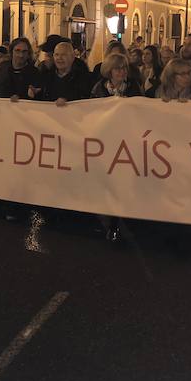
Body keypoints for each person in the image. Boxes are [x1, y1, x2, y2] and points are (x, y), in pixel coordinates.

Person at [90, 53, 142, 244]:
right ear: (109, 71)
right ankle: (107, 219)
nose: (122, 72)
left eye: (124, 68)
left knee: (121, 181)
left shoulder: (133, 87)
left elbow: (142, 109)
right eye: (118, 68)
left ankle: (115, 224)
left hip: (126, 140)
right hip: (105, 140)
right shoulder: (98, 89)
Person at [32, 40, 90, 104]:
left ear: (73, 57)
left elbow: (85, 99)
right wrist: (34, 93)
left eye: (63, 55)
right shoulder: (47, 77)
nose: (59, 58)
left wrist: (67, 100)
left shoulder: (83, 78)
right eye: (56, 55)